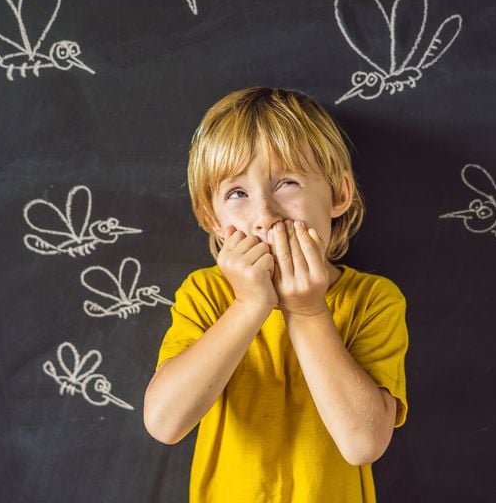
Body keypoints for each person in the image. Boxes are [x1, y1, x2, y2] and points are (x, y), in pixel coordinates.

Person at [143, 87, 408, 502]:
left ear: (339, 194)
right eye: (237, 194)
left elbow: (363, 444)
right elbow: (164, 422)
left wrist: (308, 311)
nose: (265, 214)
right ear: (212, 218)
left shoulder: (373, 299)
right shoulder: (205, 294)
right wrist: (250, 305)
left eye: (286, 183)